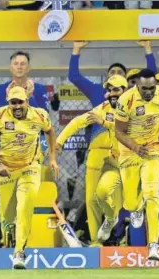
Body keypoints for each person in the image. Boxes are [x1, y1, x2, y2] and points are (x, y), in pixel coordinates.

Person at [68, 40, 158, 231]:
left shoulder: (134, 95)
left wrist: (148, 49)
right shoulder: (96, 92)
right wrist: (76, 49)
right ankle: (95, 239)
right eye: (112, 73)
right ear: (106, 80)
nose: (115, 76)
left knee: (126, 196)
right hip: (98, 153)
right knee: (93, 197)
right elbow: (74, 76)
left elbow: (152, 76)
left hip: (124, 152)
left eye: (120, 73)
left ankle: (121, 236)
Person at [0, 86, 58, 269]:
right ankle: (8, 239)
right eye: (13, 102)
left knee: (25, 206)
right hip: (6, 169)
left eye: (20, 102)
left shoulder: (39, 115)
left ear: (27, 101)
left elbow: (50, 131)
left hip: (30, 167)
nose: (16, 106)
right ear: (8, 102)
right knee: (7, 219)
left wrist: (53, 158)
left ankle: (19, 252)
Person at [56, 75, 128, 245]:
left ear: (125, 91)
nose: (112, 93)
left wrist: (103, 122)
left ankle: (120, 239)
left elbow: (127, 128)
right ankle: (97, 240)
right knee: (91, 200)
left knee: (118, 201)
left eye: (116, 89)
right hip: (96, 157)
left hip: (120, 159)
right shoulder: (101, 108)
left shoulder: (132, 110)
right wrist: (60, 140)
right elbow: (77, 122)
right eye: (109, 90)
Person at [115, 69, 159, 261]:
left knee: (153, 195)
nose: (149, 92)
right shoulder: (126, 100)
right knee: (130, 202)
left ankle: (153, 245)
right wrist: (135, 147)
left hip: (153, 151)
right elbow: (119, 131)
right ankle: (137, 206)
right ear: (137, 86)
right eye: (145, 89)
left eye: (152, 88)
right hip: (130, 152)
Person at [0, 51, 49, 117]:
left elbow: (45, 118)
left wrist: (29, 97)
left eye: (22, 64)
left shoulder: (39, 89)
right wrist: (8, 98)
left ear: (28, 68)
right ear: (10, 68)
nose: (19, 67)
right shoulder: (0, 90)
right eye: (15, 64)